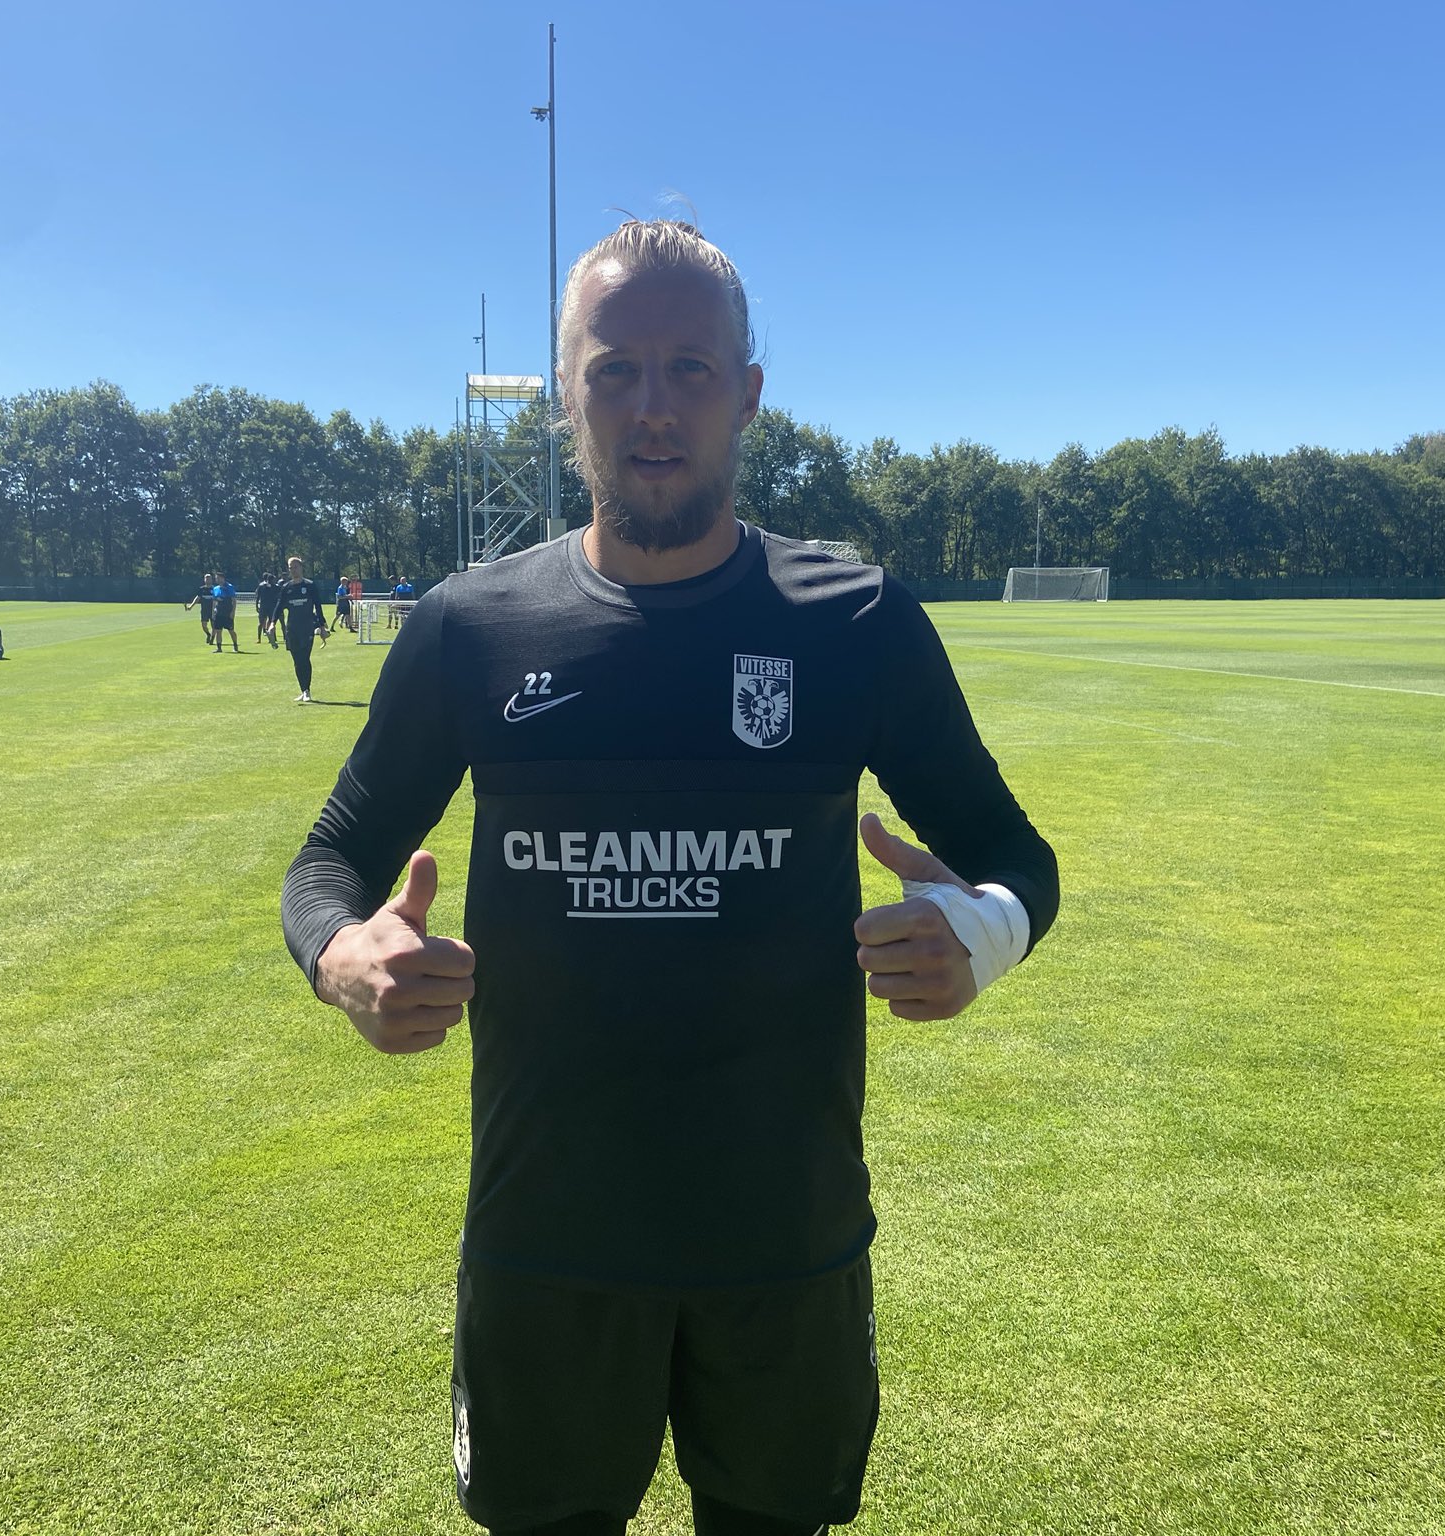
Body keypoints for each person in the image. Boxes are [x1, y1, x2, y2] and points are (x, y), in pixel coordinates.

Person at [280, 219, 1058, 1536]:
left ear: (746, 392)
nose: (653, 405)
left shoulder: (857, 623)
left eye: (689, 368)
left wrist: (980, 932)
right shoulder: (472, 628)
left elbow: (1015, 858)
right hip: (546, 1247)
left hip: (787, 1244)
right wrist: (341, 955)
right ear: (567, 392)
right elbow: (330, 861)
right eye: (615, 369)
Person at [276, 556, 327, 702]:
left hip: (307, 628)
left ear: (301, 568)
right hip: (292, 629)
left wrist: (322, 626)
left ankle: (307, 690)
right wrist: (272, 623)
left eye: (295, 567)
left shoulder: (310, 586)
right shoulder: (286, 588)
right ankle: (303, 689)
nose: (293, 570)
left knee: (304, 658)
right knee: (297, 660)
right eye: (290, 568)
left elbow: (318, 606)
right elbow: (279, 606)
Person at [185, 573, 217, 645]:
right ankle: (208, 634)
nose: (208, 580)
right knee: (204, 625)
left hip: (213, 611)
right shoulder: (202, 589)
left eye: (209, 578)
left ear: (212, 580)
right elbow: (197, 598)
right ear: (204, 580)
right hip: (204, 610)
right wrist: (191, 606)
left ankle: (212, 639)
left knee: (214, 626)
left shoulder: (215, 589)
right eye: (206, 578)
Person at [213, 576, 242, 652]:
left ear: (222, 578)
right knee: (218, 631)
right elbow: (214, 600)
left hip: (227, 613)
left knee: (231, 630)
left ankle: (235, 645)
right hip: (218, 613)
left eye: (218, 578)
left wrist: (233, 612)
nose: (217, 579)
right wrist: (214, 610)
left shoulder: (229, 587)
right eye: (216, 578)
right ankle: (219, 648)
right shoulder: (215, 588)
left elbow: (234, 600)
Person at [256, 571, 282, 648]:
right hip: (265, 607)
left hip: (271, 607)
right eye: (273, 580)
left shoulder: (276, 587)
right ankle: (259, 638)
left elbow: (280, 595)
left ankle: (273, 637)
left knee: (272, 622)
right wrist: (257, 606)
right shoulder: (262, 586)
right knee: (261, 623)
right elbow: (258, 597)